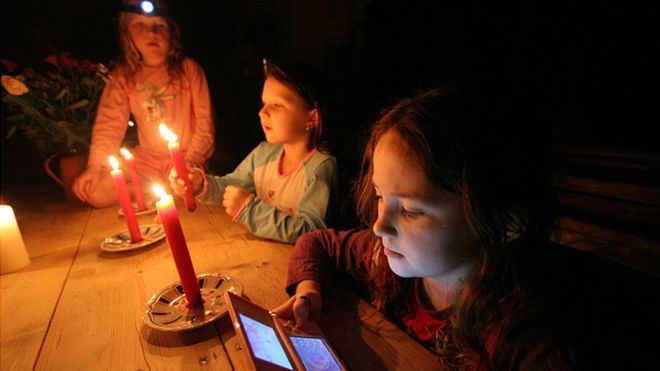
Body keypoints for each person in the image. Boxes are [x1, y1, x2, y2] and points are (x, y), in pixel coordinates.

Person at [271, 87, 592, 369]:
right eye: (381, 196)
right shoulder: (382, 259)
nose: (380, 225)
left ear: (503, 224)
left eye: (411, 210)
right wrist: (308, 290)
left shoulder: (523, 337)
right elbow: (317, 242)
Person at [170, 60, 337, 244]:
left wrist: (249, 210)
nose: (262, 112)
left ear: (311, 117)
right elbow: (231, 187)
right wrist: (200, 184)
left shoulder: (321, 167)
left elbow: (311, 233)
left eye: (277, 105)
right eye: (264, 103)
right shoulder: (263, 154)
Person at [73, 0, 215, 207]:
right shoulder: (124, 76)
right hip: (145, 162)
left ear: (172, 33)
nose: (151, 33)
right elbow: (109, 124)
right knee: (96, 192)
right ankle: (155, 193)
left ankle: (161, 192)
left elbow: (205, 124)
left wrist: (189, 162)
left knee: (187, 183)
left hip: (183, 159)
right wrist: (95, 167)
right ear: (126, 32)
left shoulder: (188, 70)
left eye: (160, 25)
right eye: (140, 24)